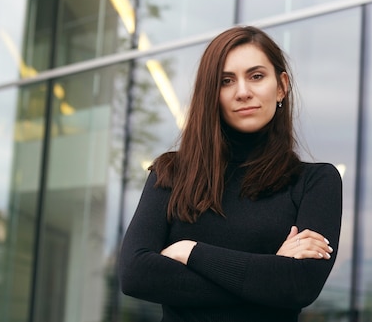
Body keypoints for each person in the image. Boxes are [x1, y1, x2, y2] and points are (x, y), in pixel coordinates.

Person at [119, 25, 342, 321]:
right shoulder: (172, 173)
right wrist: (269, 274)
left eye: (256, 76)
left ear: (281, 86)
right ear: (211, 93)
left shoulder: (316, 182)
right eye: (226, 81)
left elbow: (298, 286)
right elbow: (136, 275)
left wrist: (191, 252)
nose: (243, 92)